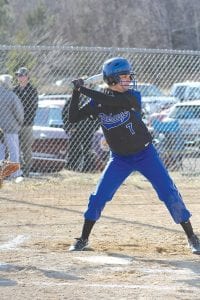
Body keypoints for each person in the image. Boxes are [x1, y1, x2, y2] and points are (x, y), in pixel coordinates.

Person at [67, 57, 200, 255]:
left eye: (129, 76)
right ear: (111, 80)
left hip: (145, 154)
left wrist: (82, 88)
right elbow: (73, 117)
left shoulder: (132, 97)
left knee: (168, 192)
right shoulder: (97, 101)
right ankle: (83, 238)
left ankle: (192, 237)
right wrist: (75, 92)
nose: (129, 79)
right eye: (123, 77)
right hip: (119, 158)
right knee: (98, 197)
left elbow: (111, 100)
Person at [62, 95, 100, 172]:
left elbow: (98, 114)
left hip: (88, 129)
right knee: (74, 149)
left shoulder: (92, 99)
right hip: (76, 129)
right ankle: (71, 167)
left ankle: (87, 169)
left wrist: (94, 127)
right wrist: (69, 127)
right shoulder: (73, 99)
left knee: (87, 149)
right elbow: (65, 113)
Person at [13, 67, 38, 176]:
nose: (20, 77)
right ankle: (15, 170)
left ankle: (26, 171)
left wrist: (23, 118)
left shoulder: (32, 90)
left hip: (27, 124)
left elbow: (32, 108)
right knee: (14, 147)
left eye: (22, 75)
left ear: (27, 77)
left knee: (26, 148)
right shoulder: (14, 90)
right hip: (15, 124)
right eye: (18, 75)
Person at [0, 74, 24, 180]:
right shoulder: (11, 95)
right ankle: (14, 173)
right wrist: (19, 123)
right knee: (13, 150)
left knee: (1, 150)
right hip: (10, 127)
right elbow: (19, 112)